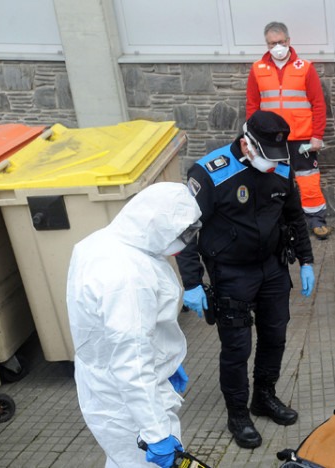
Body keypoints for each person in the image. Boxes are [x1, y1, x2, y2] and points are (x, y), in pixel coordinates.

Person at [177, 110, 316, 449]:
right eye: (266, 156)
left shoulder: (281, 166)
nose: (273, 163)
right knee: (237, 349)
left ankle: (263, 397)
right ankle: (238, 413)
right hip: (231, 273)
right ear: (247, 144)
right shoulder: (210, 174)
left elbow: (295, 215)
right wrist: (192, 283)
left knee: (274, 337)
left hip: (271, 268)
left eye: (277, 157)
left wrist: (307, 261)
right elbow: (183, 231)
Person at [66, 182, 202, 467]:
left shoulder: (102, 242)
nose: (186, 240)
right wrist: (155, 433)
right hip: (128, 401)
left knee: (121, 459)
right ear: (157, 224)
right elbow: (132, 363)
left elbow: (113, 330)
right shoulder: (128, 278)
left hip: (106, 384)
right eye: (184, 233)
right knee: (139, 462)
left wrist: (166, 356)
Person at [246, 21, 331, 240]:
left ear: (289, 41)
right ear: (266, 44)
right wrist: (252, 136)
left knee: (308, 178)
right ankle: (277, 221)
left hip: (301, 138)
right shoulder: (257, 69)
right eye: (272, 43)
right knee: (272, 181)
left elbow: (319, 105)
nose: (277, 47)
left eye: (281, 42)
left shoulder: (305, 68)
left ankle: (316, 220)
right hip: (270, 140)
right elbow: (252, 106)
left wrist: (317, 136)